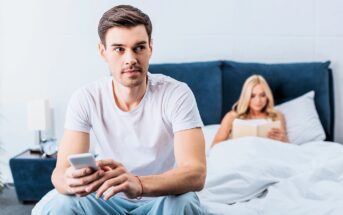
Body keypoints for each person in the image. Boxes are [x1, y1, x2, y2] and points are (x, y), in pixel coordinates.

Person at [33, 5, 206, 215]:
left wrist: (138, 184)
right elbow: (60, 173)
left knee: (184, 202)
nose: (130, 59)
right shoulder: (86, 98)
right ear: (103, 51)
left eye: (139, 47)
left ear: (150, 48)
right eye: (119, 49)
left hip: (161, 200)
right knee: (62, 203)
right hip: (106, 199)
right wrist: (70, 181)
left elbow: (196, 173)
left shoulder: (176, 94)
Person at [212, 75, 288, 146]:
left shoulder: (276, 115)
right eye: (252, 96)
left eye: (262, 95)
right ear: (246, 96)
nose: (258, 100)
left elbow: (287, 146)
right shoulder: (231, 117)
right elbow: (214, 146)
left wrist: (284, 140)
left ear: (267, 96)